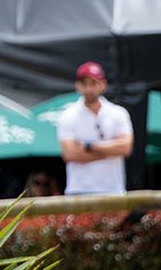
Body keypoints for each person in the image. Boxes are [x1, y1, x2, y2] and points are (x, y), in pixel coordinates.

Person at [56, 62, 134, 196]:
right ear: (78, 86)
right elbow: (69, 154)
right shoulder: (67, 115)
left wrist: (88, 146)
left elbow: (126, 148)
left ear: (103, 84)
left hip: (113, 191)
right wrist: (111, 151)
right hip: (79, 191)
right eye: (85, 84)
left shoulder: (118, 113)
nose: (89, 89)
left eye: (93, 83)